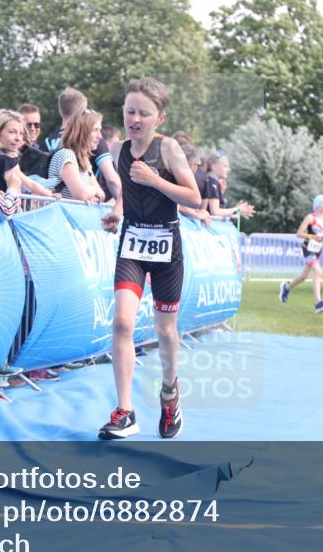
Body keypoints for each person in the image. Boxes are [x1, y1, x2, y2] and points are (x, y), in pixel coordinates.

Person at [98, 77, 201, 440]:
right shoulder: (118, 151)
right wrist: (117, 209)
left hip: (166, 247)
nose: (134, 118)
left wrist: (157, 180)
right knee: (123, 322)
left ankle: (170, 393)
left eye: (144, 112)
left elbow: (194, 199)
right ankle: (125, 411)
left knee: (164, 330)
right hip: (132, 243)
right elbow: (129, 190)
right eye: (129, 111)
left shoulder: (169, 148)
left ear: (160, 117)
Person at [279, 195, 323, 314]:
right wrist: (313, 236)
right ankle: (318, 303)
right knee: (318, 271)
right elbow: (299, 233)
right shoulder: (310, 218)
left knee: (304, 276)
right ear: (318, 205)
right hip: (308, 247)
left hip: (318, 249)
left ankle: (286, 287)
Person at [0, 108, 59, 200]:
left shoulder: (2, 158)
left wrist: (49, 195)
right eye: (12, 132)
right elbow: (29, 184)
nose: (18, 138)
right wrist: (50, 196)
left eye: (21, 133)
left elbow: (28, 184)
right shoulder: (3, 159)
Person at [48, 110, 107, 202]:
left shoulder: (84, 160)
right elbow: (82, 194)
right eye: (95, 130)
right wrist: (94, 191)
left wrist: (92, 195)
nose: (100, 136)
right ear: (81, 131)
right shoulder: (66, 155)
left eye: (100, 130)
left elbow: (101, 196)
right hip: (62, 215)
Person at [204, 152, 255, 220]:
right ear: (213, 167)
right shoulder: (212, 182)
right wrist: (237, 209)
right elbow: (215, 212)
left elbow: (213, 210)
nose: (229, 169)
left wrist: (234, 212)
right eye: (225, 166)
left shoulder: (212, 182)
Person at [178, 145, 212, 226]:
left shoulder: (169, 175)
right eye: (197, 165)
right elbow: (174, 203)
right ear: (192, 165)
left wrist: (199, 213)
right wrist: (197, 214)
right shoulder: (173, 177)